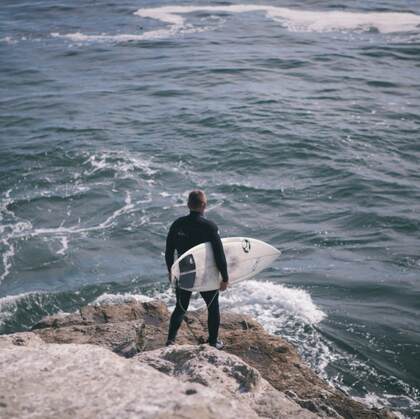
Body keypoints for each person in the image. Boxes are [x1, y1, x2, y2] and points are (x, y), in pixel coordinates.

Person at [165, 190, 229, 349]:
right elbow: (219, 255)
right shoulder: (210, 226)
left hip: (185, 270)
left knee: (181, 306)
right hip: (205, 271)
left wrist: (170, 271)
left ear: (188, 205)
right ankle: (213, 342)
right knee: (212, 307)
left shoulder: (177, 224)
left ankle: (170, 340)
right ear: (204, 206)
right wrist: (225, 277)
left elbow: (169, 251)